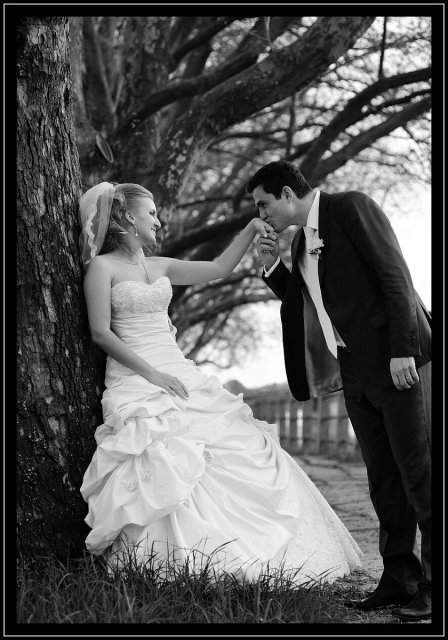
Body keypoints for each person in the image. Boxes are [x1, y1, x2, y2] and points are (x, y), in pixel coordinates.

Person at [79, 181, 363, 586]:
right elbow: (101, 333)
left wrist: (250, 230)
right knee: (162, 456)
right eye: (151, 213)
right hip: (137, 380)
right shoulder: (101, 268)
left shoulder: (159, 265)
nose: (158, 220)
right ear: (126, 217)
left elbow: (218, 269)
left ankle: (248, 550)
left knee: (233, 443)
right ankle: (169, 563)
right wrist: (154, 375)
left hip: (179, 371)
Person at [248, 160, 432, 621]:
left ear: (287, 194)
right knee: (383, 479)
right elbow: (306, 304)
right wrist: (272, 267)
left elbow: (395, 276)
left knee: (421, 475)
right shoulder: (301, 242)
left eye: (264, 204)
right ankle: (399, 580)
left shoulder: (351, 208)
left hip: (397, 364)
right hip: (356, 372)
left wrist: (403, 350)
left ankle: (435, 588)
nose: (261, 215)